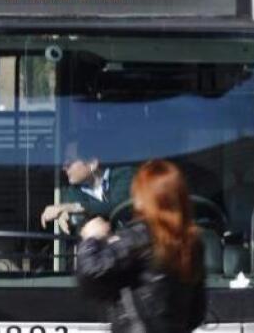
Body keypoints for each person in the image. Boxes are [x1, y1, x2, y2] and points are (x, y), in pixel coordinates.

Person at [75, 160, 205, 333]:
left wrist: (91, 239)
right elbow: (197, 312)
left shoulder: (140, 236)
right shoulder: (191, 242)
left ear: (144, 198)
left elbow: (91, 273)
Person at [40, 142, 133, 232]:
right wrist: (67, 215)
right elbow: (81, 225)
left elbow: (118, 207)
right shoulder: (71, 192)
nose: (64, 167)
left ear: (92, 163)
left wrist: (73, 207)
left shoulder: (124, 175)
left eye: (69, 162)